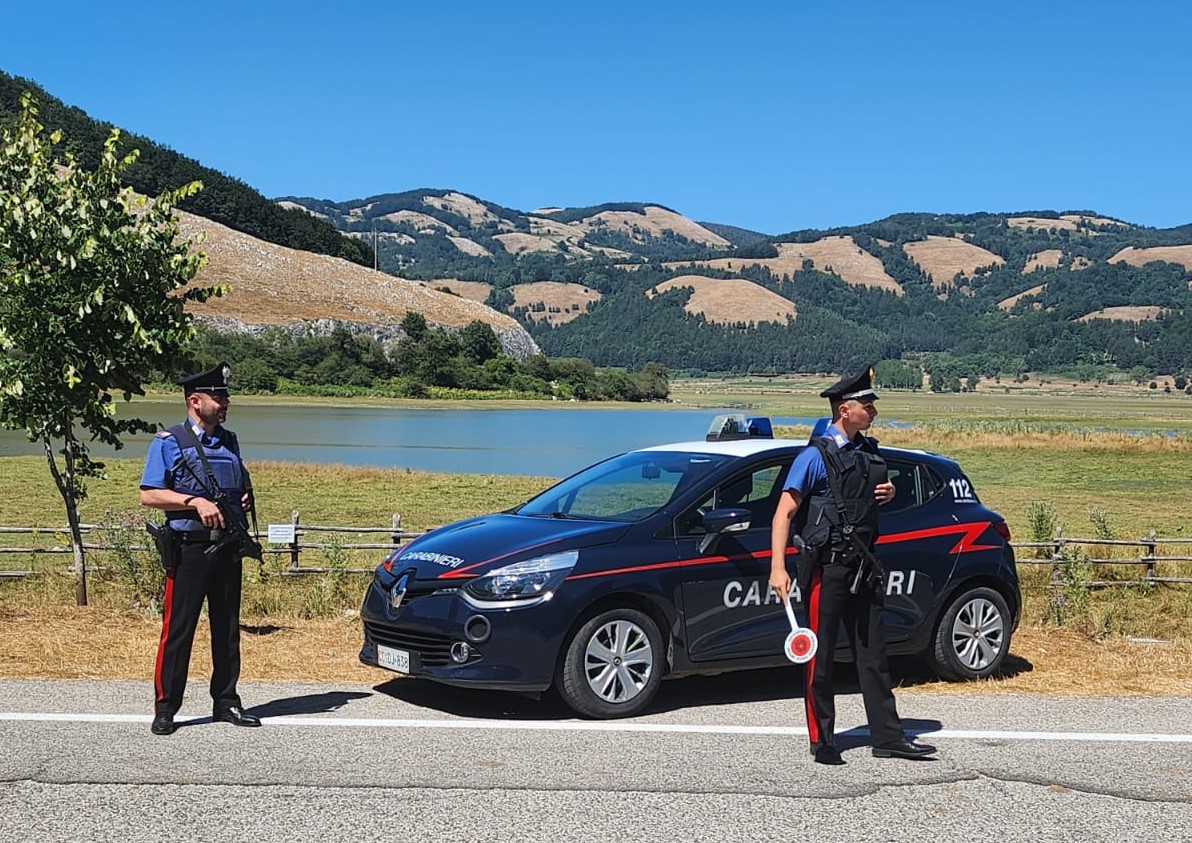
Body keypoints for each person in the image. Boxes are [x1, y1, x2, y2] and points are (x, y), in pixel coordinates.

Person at [769, 366, 936, 765]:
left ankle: (888, 737)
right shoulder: (814, 456)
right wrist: (778, 567)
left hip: (864, 567)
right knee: (819, 657)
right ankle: (822, 740)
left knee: (873, 655)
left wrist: (889, 491)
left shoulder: (868, 453)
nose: (873, 410)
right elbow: (783, 513)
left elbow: (868, 500)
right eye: (867, 404)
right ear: (845, 409)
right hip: (827, 570)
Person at [140, 362, 262, 735]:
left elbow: (231, 485)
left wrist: (238, 500)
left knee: (227, 630)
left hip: (226, 549)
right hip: (189, 550)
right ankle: (166, 707)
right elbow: (150, 495)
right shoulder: (168, 442)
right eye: (219, 398)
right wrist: (194, 502)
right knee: (179, 630)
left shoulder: (230, 441)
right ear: (196, 401)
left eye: (225, 397)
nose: (225, 404)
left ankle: (226, 701)